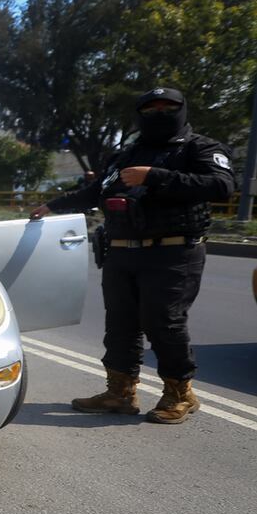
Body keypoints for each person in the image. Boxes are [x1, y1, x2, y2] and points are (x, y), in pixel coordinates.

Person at [31, 87, 235, 424]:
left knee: (164, 323)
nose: (159, 114)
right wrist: (52, 206)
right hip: (122, 251)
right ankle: (120, 393)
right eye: (151, 109)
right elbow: (95, 192)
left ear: (182, 110)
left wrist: (155, 176)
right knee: (120, 324)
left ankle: (180, 394)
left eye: (167, 107)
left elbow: (222, 186)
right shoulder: (125, 155)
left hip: (174, 251)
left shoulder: (199, 148)